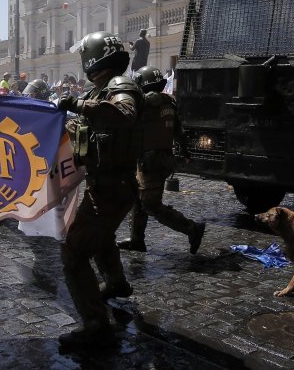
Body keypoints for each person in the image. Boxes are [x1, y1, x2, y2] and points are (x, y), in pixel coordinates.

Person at [55, 31, 142, 350]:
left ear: (91, 58)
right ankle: (116, 283)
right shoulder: (101, 90)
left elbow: (124, 115)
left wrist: (78, 104)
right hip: (106, 184)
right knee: (101, 237)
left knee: (74, 252)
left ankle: (95, 324)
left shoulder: (119, 86)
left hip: (111, 187)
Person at [117, 66, 206, 254]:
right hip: (158, 159)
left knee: (150, 203)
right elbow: (178, 131)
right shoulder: (169, 103)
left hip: (152, 161)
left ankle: (192, 228)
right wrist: (186, 151)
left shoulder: (147, 102)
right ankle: (136, 240)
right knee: (138, 199)